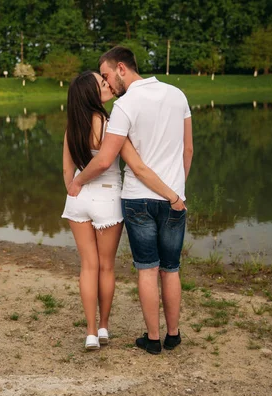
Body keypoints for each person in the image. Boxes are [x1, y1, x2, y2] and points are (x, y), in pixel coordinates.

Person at [67, 47, 193, 355]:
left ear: (121, 68)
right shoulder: (178, 94)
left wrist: (77, 183)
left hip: (136, 198)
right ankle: (172, 335)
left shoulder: (122, 107)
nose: (108, 84)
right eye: (103, 81)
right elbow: (187, 151)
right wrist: (176, 190)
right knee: (171, 268)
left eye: (107, 76)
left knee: (145, 269)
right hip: (170, 196)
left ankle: (149, 338)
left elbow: (121, 163)